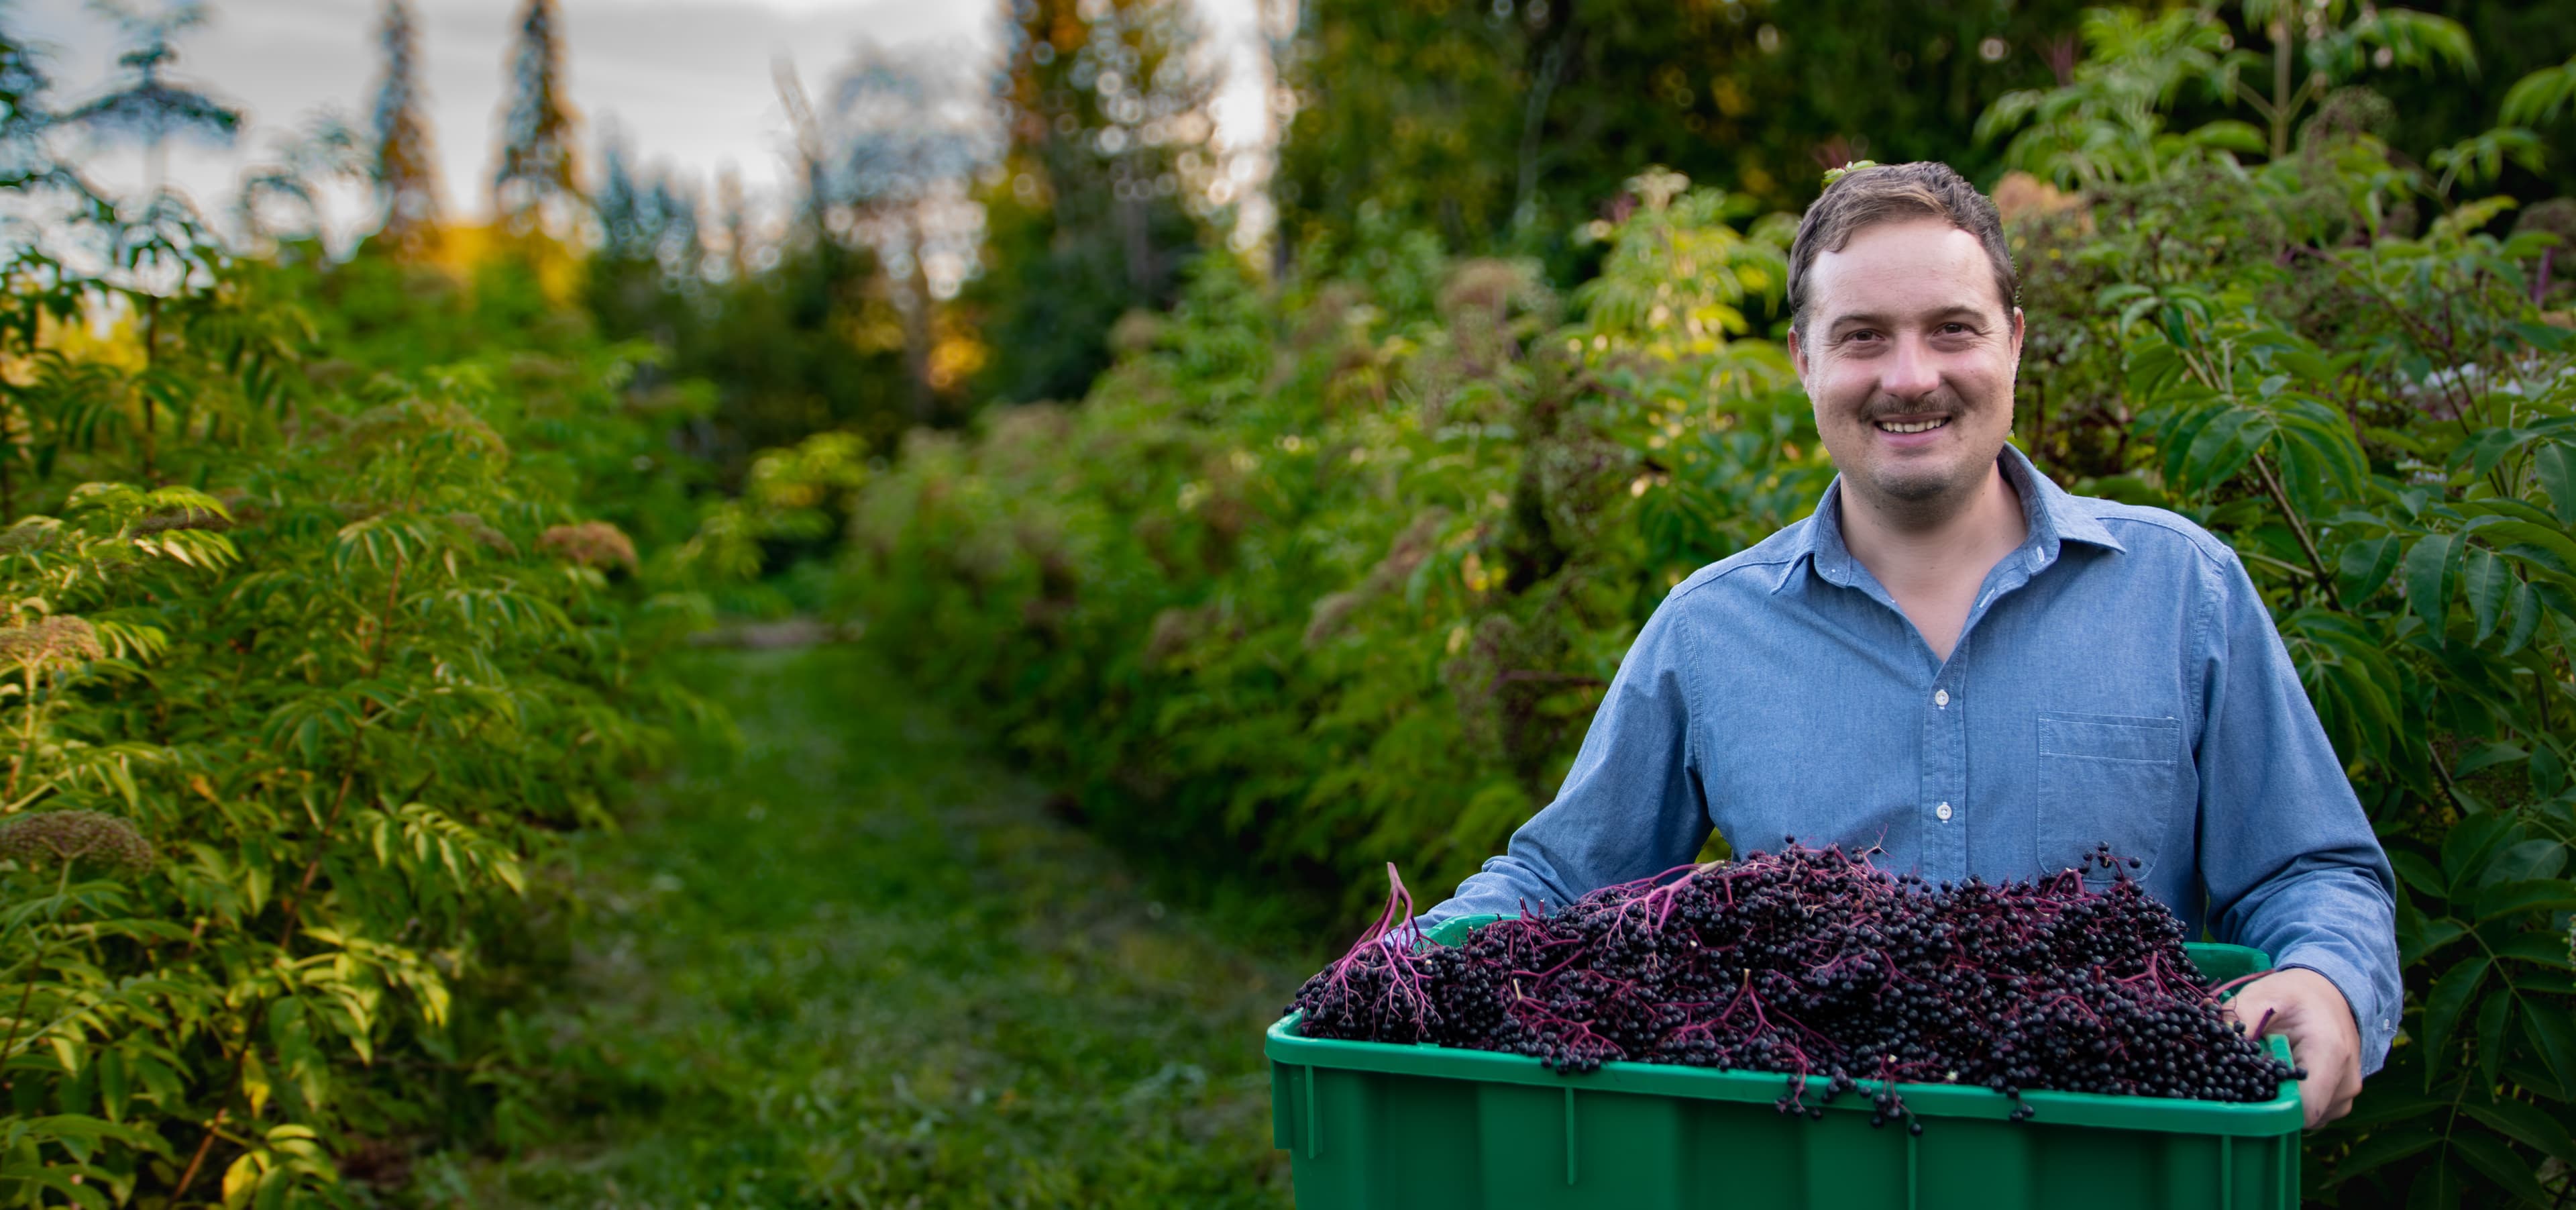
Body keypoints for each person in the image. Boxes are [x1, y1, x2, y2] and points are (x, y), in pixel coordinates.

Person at [1408, 161, 2398, 1131]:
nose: (1910, 377)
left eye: (1951, 330)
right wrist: (1406, 961)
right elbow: (1562, 887)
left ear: (2012, 342)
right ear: (1803, 359)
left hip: (2117, 1165)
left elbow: (2309, 870)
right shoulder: (1710, 634)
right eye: (1864, 337)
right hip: (1824, 1164)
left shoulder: (2182, 592)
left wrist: (2329, 977)